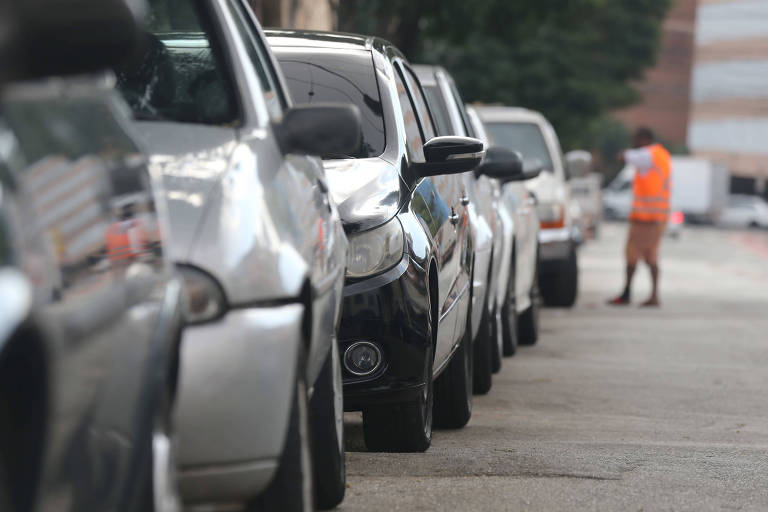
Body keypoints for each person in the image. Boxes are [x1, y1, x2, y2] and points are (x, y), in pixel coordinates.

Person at [609, 127, 671, 307]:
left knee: (632, 256)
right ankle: (653, 295)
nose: (634, 143)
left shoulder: (648, 155)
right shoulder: (662, 155)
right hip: (657, 216)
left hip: (645, 218)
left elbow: (623, 157)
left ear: (644, 139)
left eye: (635, 139)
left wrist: (624, 153)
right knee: (651, 257)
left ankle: (627, 293)